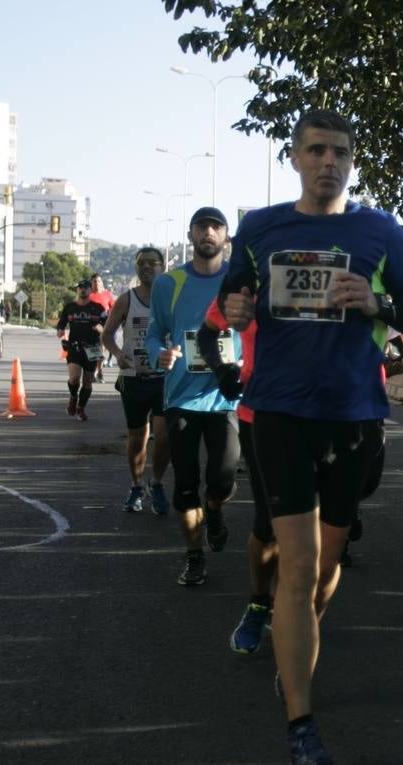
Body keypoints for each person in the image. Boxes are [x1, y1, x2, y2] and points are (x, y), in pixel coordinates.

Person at [219, 109, 403, 765]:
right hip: (279, 411)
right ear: (295, 156)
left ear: (352, 159)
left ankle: (295, 645)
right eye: (316, 150)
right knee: (299, 563)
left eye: (340, 151)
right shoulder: (260, 227)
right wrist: (237, 311)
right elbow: (232, 299)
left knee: (326, 563)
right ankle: (302, 729)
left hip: (354, 414)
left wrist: (377, 304)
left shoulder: (380, 231)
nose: (328, 162)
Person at [147, 208, 242, 588]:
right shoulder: (169, 284)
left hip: (225, 399)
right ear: (190, 235)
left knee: (221, 480)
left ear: (226, 238)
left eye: (216, 226)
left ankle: (215, 511)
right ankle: (194, 555)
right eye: (201, 226)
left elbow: (258, 330)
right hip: (182, 399)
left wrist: (244, 362)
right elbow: (155, 331)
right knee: (185, 485)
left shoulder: (240, 281)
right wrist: (161, 353)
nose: (208, 232)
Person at [194, 276, 276, 655]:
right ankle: (259, 605)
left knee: (321, 529)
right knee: (269, 522)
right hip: (259, 416)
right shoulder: (250, 284)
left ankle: (300, 612)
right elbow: (208, 334)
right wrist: (222, 370)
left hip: (323, 418)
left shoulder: (333, 269)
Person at [102, 248, 171, 514]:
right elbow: (107, 334)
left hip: (165, 377)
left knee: (164, 437)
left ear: (162, 266)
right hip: (134, 377)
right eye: (141, 263)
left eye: (152, 263)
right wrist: (118, 354)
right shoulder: (126, 300)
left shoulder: (172, 300)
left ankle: (158, 483)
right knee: (137, 437)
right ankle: (136, 485)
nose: (146, 267)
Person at [56, 279, 106, 421]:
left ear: (91, 290)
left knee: (88, 381)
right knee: (74, 378)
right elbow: (61, 324)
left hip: (92, 347)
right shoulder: (70, 307)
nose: (83, 290)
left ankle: (81, 409)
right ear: (77, 290)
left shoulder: (98, 308)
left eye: (86, 287)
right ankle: (73, 397)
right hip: (75, 346)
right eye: (80, 287)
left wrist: (101, 328)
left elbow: (108, 326)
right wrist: (60, 331)